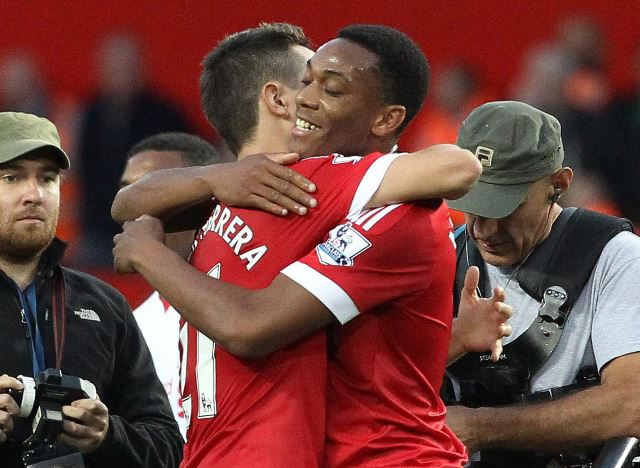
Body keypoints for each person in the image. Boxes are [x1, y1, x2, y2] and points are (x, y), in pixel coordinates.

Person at [113, 24, 507, 467]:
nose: (308, 97)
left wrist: (147, 251)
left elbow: (252, 326)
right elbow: (128, 203)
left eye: (331, 88)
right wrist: (212, 179)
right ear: (278, 97)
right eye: (306, 80)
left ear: (385, 119)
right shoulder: (254, 191)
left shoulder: (362, 199)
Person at [442, 101, 640, 467]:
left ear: (559, 184)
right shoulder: (439, 255)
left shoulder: (617, 258)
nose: (485, 230)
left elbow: (632, 405)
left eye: (508, 206)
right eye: (475, 203)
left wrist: (480, 427)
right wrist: (452, 342)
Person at [0, 112, 183, 467]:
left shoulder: (104, 305)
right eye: (12, 177)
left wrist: (107, 436)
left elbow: (167, 446)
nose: (34, 194)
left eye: (48, 178)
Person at [120, 132, 225, 439]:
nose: (132, 210)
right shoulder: (130, 330)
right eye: (126, 195)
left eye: (154, 191)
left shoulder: (257, 298)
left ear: (206, 200)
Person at [76, 33, 190, 266]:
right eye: (113, 66)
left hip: (150, 233)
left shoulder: (166, 116)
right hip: (96, 233)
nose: (119, 73)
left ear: (140, 67)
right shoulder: (89, 114)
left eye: (126, 66)